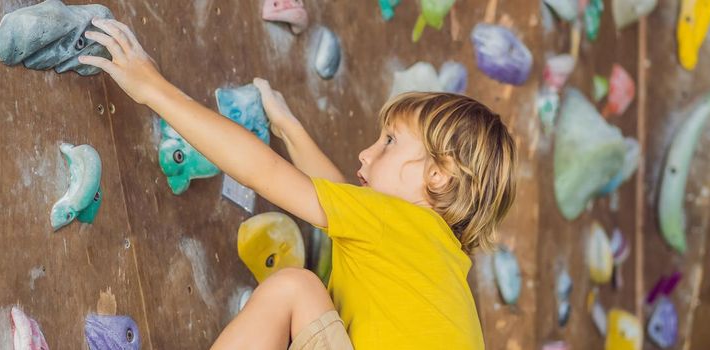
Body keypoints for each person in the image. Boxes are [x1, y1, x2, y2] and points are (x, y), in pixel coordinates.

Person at [78, 19, 516, 350]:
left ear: (437, 174)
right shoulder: (433, 255)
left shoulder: (398, 226)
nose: (367, 152)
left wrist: (153, 89)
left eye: (389, 142)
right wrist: (288, 128)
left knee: (295, 287)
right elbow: (339, 197)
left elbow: (263, 171)